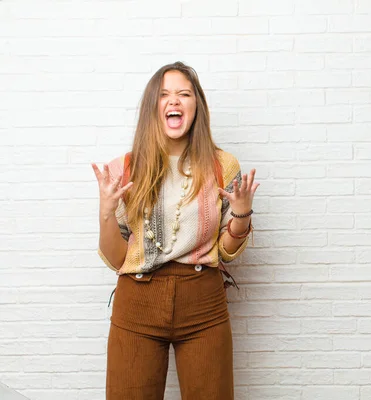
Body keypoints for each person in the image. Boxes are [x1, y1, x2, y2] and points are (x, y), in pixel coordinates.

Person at [91, 61, 259, 400]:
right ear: (153, 106)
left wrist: (240, 214)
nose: (175, 101)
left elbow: (226, 249)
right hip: (137, 303)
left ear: (197, 106)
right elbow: (117, 259)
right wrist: (106, 213)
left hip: (203, 303)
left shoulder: (223, 166)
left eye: (184, 94)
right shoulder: (123, 170)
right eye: (165, 94)